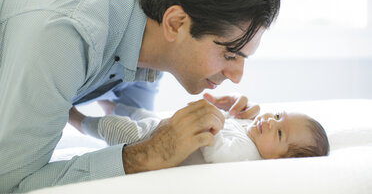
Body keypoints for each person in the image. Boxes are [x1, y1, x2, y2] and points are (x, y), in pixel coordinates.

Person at [0, 0, 280, 192]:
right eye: (229, 54)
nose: (238, 76)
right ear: (176, 23)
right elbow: (12, 182)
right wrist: (144, 156)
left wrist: (226, 127)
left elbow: (130, 126)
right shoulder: (66, 37)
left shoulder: (145, 37)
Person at [68, 99, 329, 165]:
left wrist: (212, 124)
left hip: (152, 141)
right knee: (143, 113)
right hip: (166, 126)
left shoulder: (245, 154)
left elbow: (217, 153)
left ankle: (76, 118)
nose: (271, 122)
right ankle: (110, 103)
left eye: (280, 133)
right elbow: (232, 120)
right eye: (278, 115)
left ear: (279, 160)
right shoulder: (252, 132)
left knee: (122, 129)